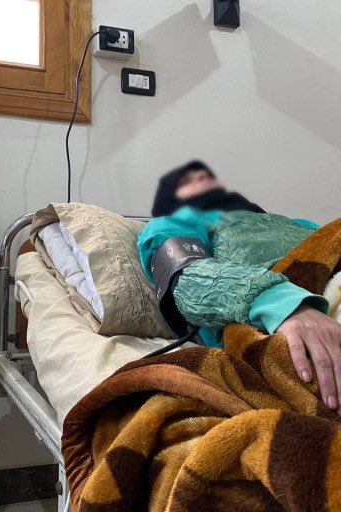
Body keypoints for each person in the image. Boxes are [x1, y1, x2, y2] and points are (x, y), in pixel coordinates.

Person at [138, 160, 341, 415]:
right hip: (301, 308)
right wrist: (285, 305)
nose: (203, 181)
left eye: (207, 177)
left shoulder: (296, 223)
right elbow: (188, 278)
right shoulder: (173, 222)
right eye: (188, 181)